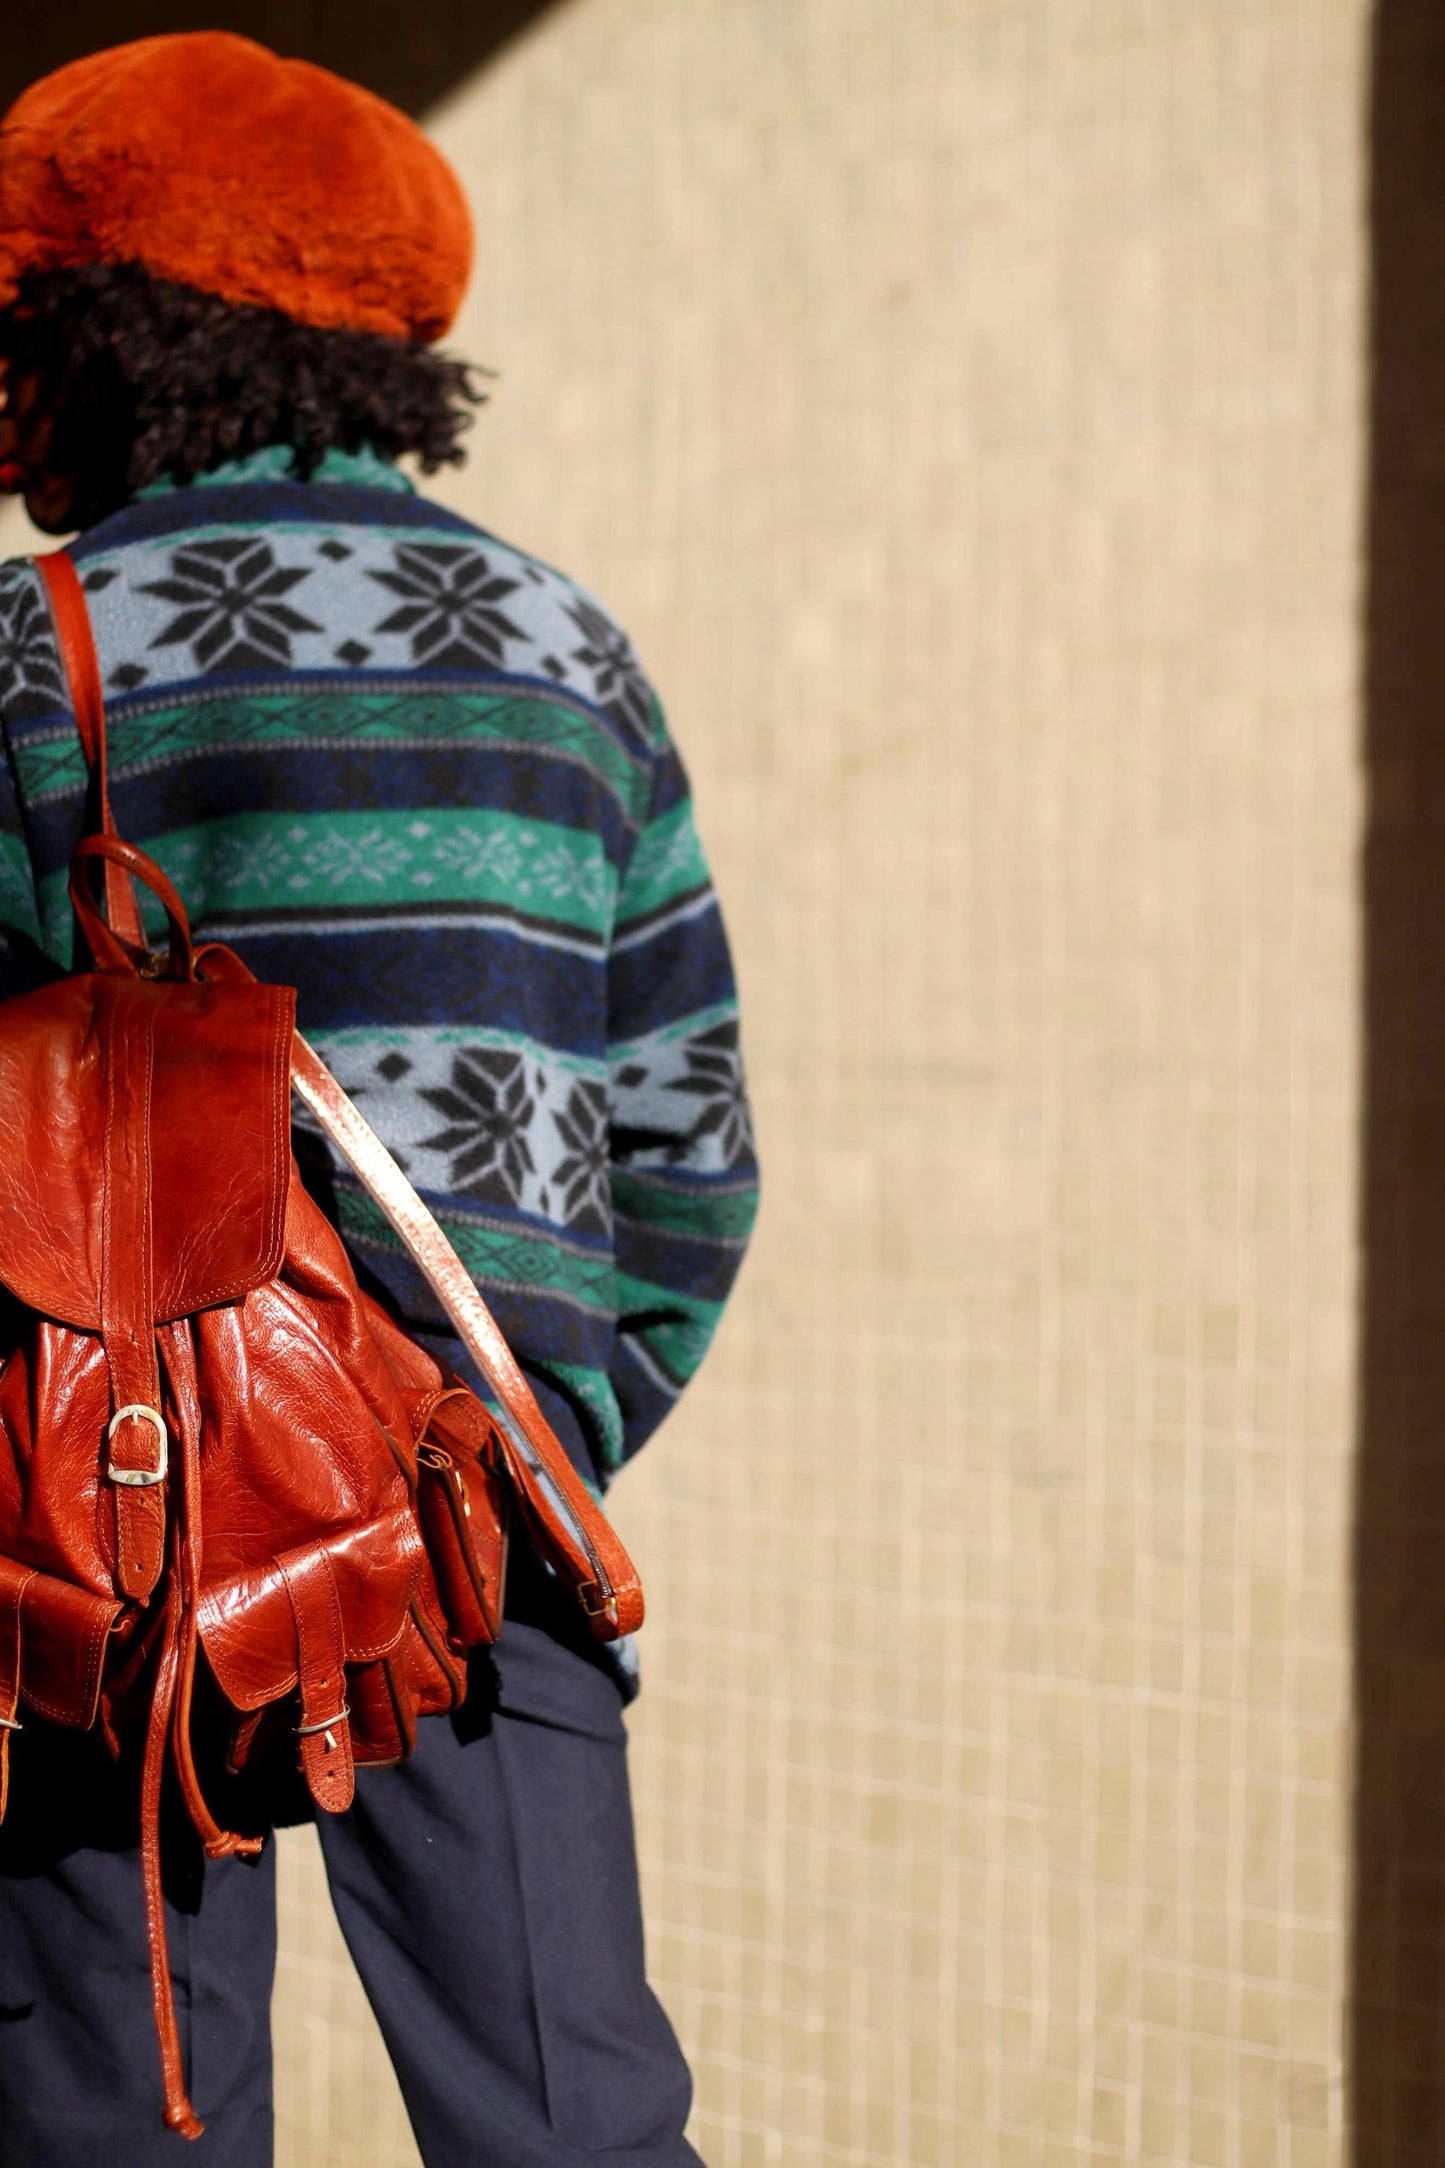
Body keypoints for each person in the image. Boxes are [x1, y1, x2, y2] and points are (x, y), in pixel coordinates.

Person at [0, 32, 758, 2168]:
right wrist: (543, 1416)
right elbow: (690, 1144)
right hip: (484, 1509)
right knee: (569, 2118)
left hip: (116, 1536)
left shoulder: (31, 652)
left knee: (114, 2117)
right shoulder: (568, 651)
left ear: (112, 336)